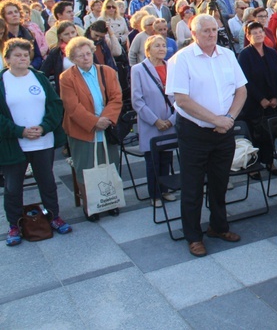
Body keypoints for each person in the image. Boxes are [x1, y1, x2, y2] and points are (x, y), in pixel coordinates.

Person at [165, 14, 247, 257]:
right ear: (194, 34)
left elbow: (241, 91)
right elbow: (182, 100)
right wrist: (216, 120)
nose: (211, 34)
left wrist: (229, 118)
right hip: (195, 131)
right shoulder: (182, 59)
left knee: (220, 181)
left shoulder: (227, 55)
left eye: (214, 29)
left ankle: (218, 226)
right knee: (192, 186)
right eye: (205, 31)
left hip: (225, 129)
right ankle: (193, 235)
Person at [0, 39, 70, 246]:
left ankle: (53, 216)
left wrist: (44, 127)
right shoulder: (2, 81)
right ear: (7, 59)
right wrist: (19, 131)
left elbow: (55, 105)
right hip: (14, 144)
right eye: (17, 56)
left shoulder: (38, 77)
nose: (22, 59)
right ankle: (15, 224)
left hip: (42, 141)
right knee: (13, 187)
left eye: (25, 55)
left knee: (47, 182)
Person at [59, 36, 122, 222]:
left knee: (109, 164)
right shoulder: (67, 78)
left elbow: (116, 97)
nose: (86, 58)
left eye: (88, 53)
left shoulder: (108, 72)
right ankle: (91, 205)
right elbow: (72, 107)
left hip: (106, 126)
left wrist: (106, 119)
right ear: (73, 58)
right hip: (82, 130)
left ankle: (111, 202)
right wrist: (94, 122)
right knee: (85, 168)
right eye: (80, 56)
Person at [131, 35, 177, 208]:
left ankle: (165, 189)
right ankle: (155, 194)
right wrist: (155, 120)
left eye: (164, 46)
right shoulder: (138, 70)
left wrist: (172, 119)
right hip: (151, 122)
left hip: (170, 120)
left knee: (167, 157)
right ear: (148, 50)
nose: (162, 49)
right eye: (157, 46)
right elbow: (137, 100)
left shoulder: (170, 67)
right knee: (153, 160)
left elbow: (178, 96)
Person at [237, 22, 277, 176]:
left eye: (260, 32)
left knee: (270, 135)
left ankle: (270, 162)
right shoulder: (245, 55)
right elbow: (245, 80)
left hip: (273, 102)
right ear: (248, 36)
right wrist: (261, 99)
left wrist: (276, 97)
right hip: (254, 103)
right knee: (254, 135)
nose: (258, 35)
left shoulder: (271, 53)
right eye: (254, 33)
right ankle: (253, 165)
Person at [41, 21, 78, 94]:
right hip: (65, 89)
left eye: (73, 32)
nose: (71, 36)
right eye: (66, 34)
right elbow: (44, 72)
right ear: (60, 36)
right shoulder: (55, 53)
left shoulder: (85, 48)